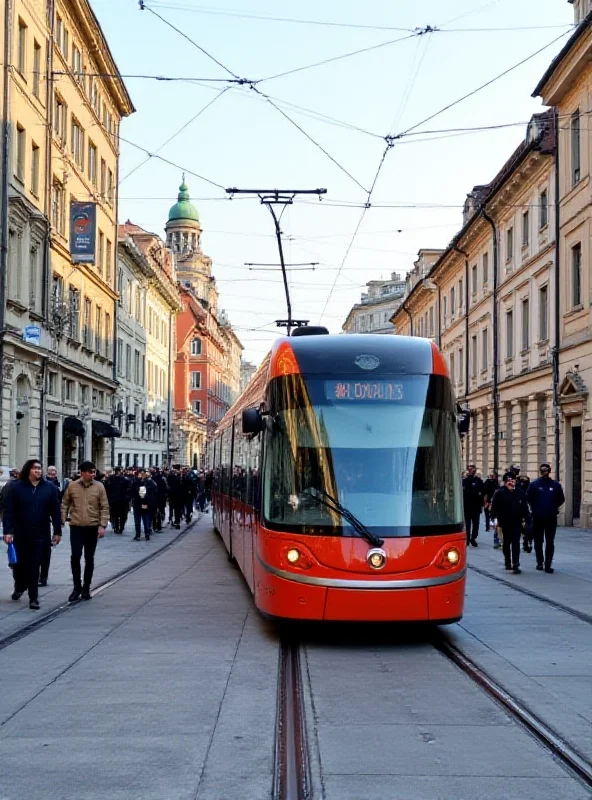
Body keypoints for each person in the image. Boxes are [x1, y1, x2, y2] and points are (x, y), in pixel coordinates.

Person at [2, 460, 62, 610]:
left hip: (40, 532)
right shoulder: (16, 487)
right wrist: (7, 531)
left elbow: (55, 511)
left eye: (40, 468)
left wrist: (57, 531)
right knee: (17, 564)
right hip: (20, 532)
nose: (38, 471)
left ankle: (33, 598)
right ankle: (19, 585)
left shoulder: (49, 488)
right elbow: (8, 510)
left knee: (34, 565)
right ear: (28, 470)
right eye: (35, 468)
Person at [61, 461, 109, 602]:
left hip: (92, 527)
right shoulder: (72, 486)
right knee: (75, 556)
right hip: (76, 526)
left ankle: (86, 588)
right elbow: (65, 503)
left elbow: (104, 507)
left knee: (89, 558)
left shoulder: (99, 486)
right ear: (82, 473)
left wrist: (102, 525)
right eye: (90, 472)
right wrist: (62, 520)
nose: (93, 474)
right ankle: (77, 587)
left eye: (94, 472)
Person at [526, 464, 565, 574]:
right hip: (538, 517)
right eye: (543, 470)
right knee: (538, 540)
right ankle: (539, 562)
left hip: (551, 517)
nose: (545, 472)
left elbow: (561, 499)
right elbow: (528, 498)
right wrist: (535, 508)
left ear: (549, 471)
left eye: (547, 470)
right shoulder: (534, 485)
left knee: (550, 541)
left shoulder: (555, 485)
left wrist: (554, 507)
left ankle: (548, 564)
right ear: (540, 471)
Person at [490, 472, 531, 575]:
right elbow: (494, 508)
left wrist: (528, 520)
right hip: (504, 522)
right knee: (506, 543)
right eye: (509, 481)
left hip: (516, 522)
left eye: (513, 481)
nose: (511, 483)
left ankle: (516, 563)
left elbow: (525, 508)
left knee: (516, 542)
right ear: (505, 482)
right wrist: (493, 520)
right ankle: (507, 560)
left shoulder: (520, 493)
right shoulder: (499, 493)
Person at [130, 469, 158, 541]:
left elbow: (153, 492)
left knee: (145, 519)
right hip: (138, 503)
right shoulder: (136, 482)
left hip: (144, 503)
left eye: (143, 474)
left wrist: (149, 501)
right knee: (139, 520)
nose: (141, 475)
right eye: (140, 474)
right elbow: (132, 492)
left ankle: (146, 533)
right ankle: (140, 534)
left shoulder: (148, 482)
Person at [463, 464, 484, 546]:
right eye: (470, 469)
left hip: (476, 507)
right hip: (467, 506)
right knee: (467, 524)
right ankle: (467, 539)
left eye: (473, 469)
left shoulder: (478, 481)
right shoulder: (465, 481)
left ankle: (473, 538)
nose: (472, 471)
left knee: (476, 524)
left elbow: (483, 492)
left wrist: (482, 503)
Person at [104, 467, 131, 534]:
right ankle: (118, 527)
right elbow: (107, 489)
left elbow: (129, 490)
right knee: (117, 515)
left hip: (119, 500)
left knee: (118, 515)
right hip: (117, 500)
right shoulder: (111, 479)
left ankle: (119, 527)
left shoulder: (123, 479)